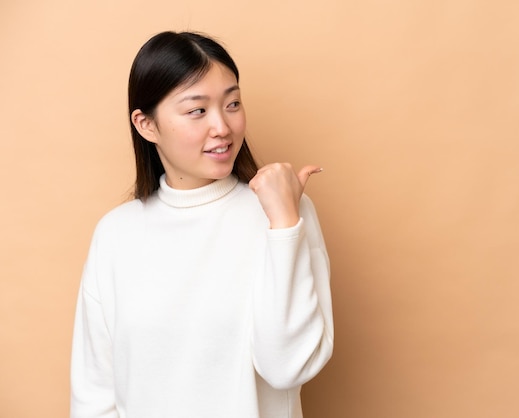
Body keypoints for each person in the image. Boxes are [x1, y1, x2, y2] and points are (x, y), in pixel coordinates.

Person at [70, 30, 333, 418]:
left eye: (232, 104)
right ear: (146, 125)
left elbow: (287, 367)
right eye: (197, 110)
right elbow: (95, 395)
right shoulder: (115, 234)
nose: (222, 128)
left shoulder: (286, 213)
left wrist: (283, 224)